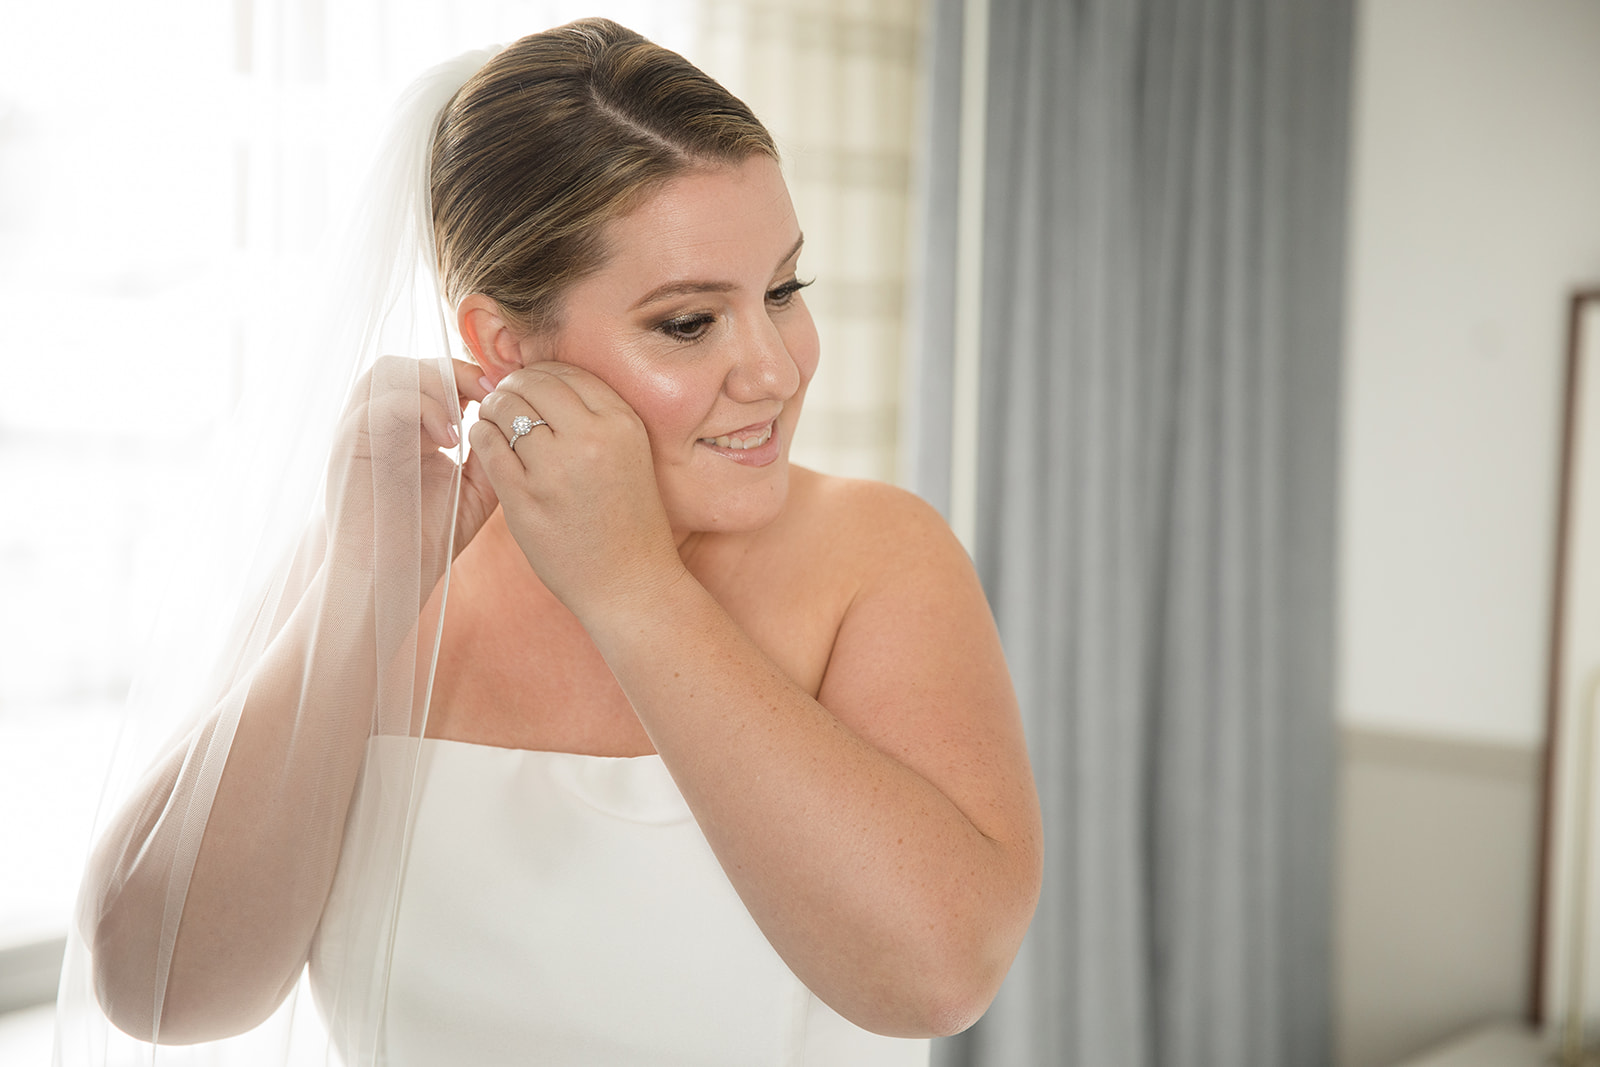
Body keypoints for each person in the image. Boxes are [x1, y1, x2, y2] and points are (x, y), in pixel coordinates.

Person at [55, 18, 1041, 1067]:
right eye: (688, 322)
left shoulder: (876, 553)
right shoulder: (372, 566)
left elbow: (941, 975)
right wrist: (363, 584)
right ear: (501, 345)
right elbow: (158, 992)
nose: (776, 368)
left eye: (783, 291)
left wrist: (631, 586)